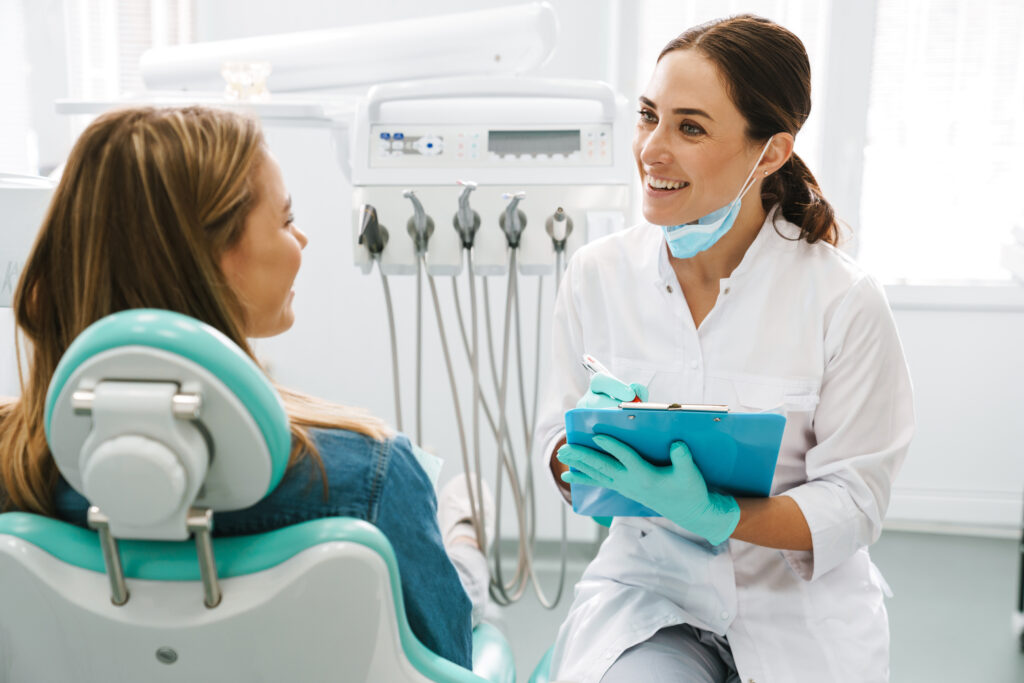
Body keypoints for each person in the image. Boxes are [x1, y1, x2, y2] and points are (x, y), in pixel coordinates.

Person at [0, 106, 492, 670]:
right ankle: (465, 523)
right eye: (285, 221)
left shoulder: (11, 464)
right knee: (467, 578)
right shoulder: (369, 475)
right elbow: (446, 664)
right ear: (207, 257)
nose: (300, 238)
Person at [533, 14, 914, 683]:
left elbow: (856, 502)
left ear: (769, 153)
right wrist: (583, 453)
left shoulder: (844, 301)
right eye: (648, 115)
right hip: (651, 597)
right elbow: (554, 449)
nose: (652, 148)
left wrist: (722, 513)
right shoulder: (597, 276)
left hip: (798, 616)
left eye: (690, 127)